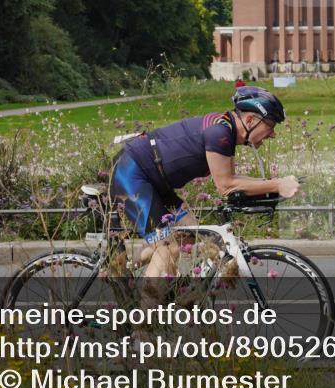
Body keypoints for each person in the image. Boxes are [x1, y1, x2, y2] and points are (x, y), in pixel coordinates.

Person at [111, 86, 298, 280]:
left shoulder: (227, 130)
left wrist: (274, 183)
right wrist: (276, 185)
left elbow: (233, 178)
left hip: (156, 182)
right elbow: (226, 185)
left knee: (194, 236)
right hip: (132, 174)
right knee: (168, 250)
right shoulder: (220, 133)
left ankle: (119, 267)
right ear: (250, 120)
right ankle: (147, 309)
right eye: (271, 125)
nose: (273, 134)